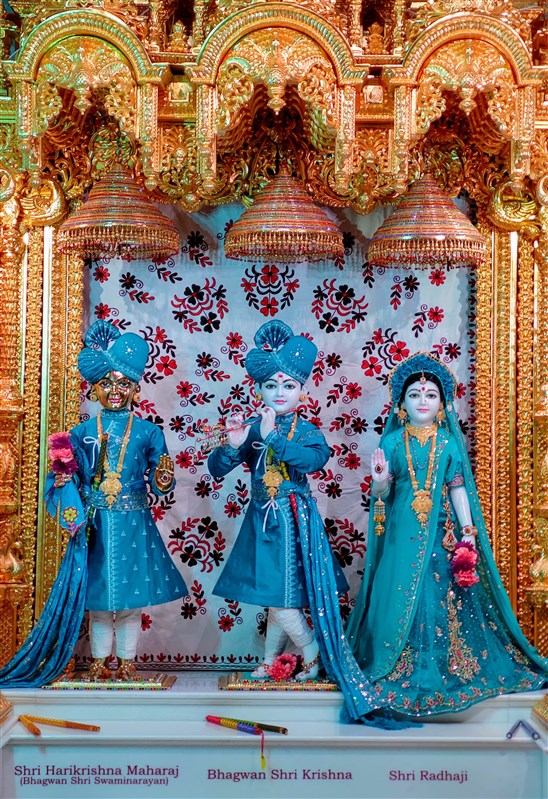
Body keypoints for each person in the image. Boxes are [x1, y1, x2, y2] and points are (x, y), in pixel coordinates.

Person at [346, 351, 548, 717]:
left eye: (430, 395)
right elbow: (382, 495)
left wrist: (468, 532)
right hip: (401, 533)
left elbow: (457, 489)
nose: (422, 401)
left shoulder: (447, 443)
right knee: (397, 592)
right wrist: (379, 480)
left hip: (441, 533)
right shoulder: (392, 443)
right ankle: (394, 663)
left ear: (442, 404)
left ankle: (441, 665)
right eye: (414, 395)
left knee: (437, 596)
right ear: (402, 404)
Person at [208, 320, 385, 723]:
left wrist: (273, 437)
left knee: (281, 596)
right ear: (259, 389)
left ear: (301, 390)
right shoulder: (251, 427)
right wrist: (232, 446)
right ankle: (270, 661)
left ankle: (312, 651)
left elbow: (313, 462)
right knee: (276, 595)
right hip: (261, 520)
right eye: (271, 385)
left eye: (288, 385)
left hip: (292, 519)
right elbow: (217, 469)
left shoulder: (306, 430)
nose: (279, 393)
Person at [0, 320, 187, 686]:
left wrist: (163, 479)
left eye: (123, 383)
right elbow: (63, 479)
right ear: (94, 389)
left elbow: (161, 482)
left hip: (133, 522)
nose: (114, 391)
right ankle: (101, 664)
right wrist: (64, 485)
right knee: (98, 600)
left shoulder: (149, 432)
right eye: (106, 384)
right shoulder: (79, 434)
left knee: (130, 599)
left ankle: (127, 664)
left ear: (136, 388)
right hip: (94, 525)